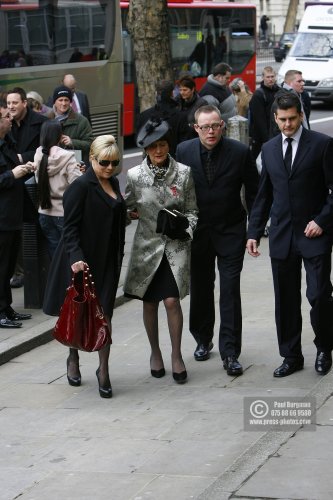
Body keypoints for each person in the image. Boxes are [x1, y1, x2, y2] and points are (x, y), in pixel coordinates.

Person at [247, 93, 333, 378]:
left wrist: (321, 220)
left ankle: (324, 348)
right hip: (282, 236)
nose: (287, 124)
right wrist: (254, 232)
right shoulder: (269, 149)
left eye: (292, 119)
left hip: (314, 234)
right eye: (282, 119)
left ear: (300, 116)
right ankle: (291, 355)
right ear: (275, 118)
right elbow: (264, 195)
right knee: (284, 299)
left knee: (319, 295)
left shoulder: (322, 145)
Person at [176, 105, 258, 375]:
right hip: (198, 233)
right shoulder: (184, 151)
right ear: (196, 128)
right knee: (201, 287)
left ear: (222, 125)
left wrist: (254, 231)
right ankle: (202, 338)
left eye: (215, 126)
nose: (210, 132)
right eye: (204, 127)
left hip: (231, 230)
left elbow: (255, 193)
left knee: (230, 290)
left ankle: (231, 352)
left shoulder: (239, 152)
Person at [43, 135, 126, 398]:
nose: (110, 168)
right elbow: (70, 229)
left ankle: (103, 370)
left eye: (114, 163)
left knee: (106, 316)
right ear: (92, 159)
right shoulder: (80, 187)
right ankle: (73, 358)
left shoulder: (112, 182)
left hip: (109, 260)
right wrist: (76, 259)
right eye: (104, 162)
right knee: (80, 314)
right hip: (84, 262)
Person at [124, 119, 198, 384]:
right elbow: (126, 208)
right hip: (147, 247)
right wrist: (129, 214)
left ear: (169, 145)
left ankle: (176, 355)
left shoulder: (184, 173)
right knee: (149, 301)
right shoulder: (134, 176)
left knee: (171, 301)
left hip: (176, 246)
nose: (158, 151)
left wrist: (185, 228)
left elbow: (192, 210)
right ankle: (155, 353)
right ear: (145, 149)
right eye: (153, 146)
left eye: (163, 145)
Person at [7, 87, 48, 288]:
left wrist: (23, 158)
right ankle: (19, 272)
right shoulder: (6, 125)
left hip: (34, 185)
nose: (11, 107)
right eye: (8, 103)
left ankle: (36, 272)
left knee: (34, 230)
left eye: (15, 103)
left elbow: (46, 149)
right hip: (12, 187)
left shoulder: (40, 123)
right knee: (16, 232)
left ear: (24, 103)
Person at [0, 101, 36, 328]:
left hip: (12, 214)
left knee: (9, 264)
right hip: (2, 218)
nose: (10, 118)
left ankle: (7, 308)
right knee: (2, 265)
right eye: (5, 116)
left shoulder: (7, 142)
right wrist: (13, 174)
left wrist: (23, 169)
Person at [34, 120, 82, 258]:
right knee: (70, 254)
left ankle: (56, 279)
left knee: (55, 254)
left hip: (44, 212)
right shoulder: (68, 157)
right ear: (60, 136)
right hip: (63, 213)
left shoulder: (38, 154)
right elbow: (77, 185)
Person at [136, 80, 183, 156]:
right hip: (173, 160)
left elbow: (140, 139)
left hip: (151, 160)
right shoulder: (180, 116)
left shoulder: (144, 115)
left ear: (156, 93)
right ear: (172, 93)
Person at [50, 85, 94, 166]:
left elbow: (91, 143)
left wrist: (72, 142)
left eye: (66, 100)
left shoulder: (82, 121)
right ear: (54, 102)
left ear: (70, 102)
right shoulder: (46, 119)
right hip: (53, 167)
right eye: (60, 100)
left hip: (75, 167)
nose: (63, 103)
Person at [249, 66, 280, 160]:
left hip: (276, 133)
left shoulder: (278, 91)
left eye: (272, 76)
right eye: (268, 77)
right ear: (263, 77)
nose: (270, 79)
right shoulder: (258, 94)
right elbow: (259, 120)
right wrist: (267, 140)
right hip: (261, 138)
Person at [270, 70, 310, 137]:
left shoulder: (302, 95)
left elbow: (305, 118)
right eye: (299, 81)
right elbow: (276, 126)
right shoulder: (280, 98)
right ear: (289, 83)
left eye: (303, 81)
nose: (303, 83)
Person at [176, 75, 208, 142]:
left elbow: (204, 124)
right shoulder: (177, 101)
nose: (182, 92)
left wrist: (189, 126)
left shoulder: (202, 104)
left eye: (185, 90)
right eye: (180, 90)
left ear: (192, 89)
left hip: (194, 139)